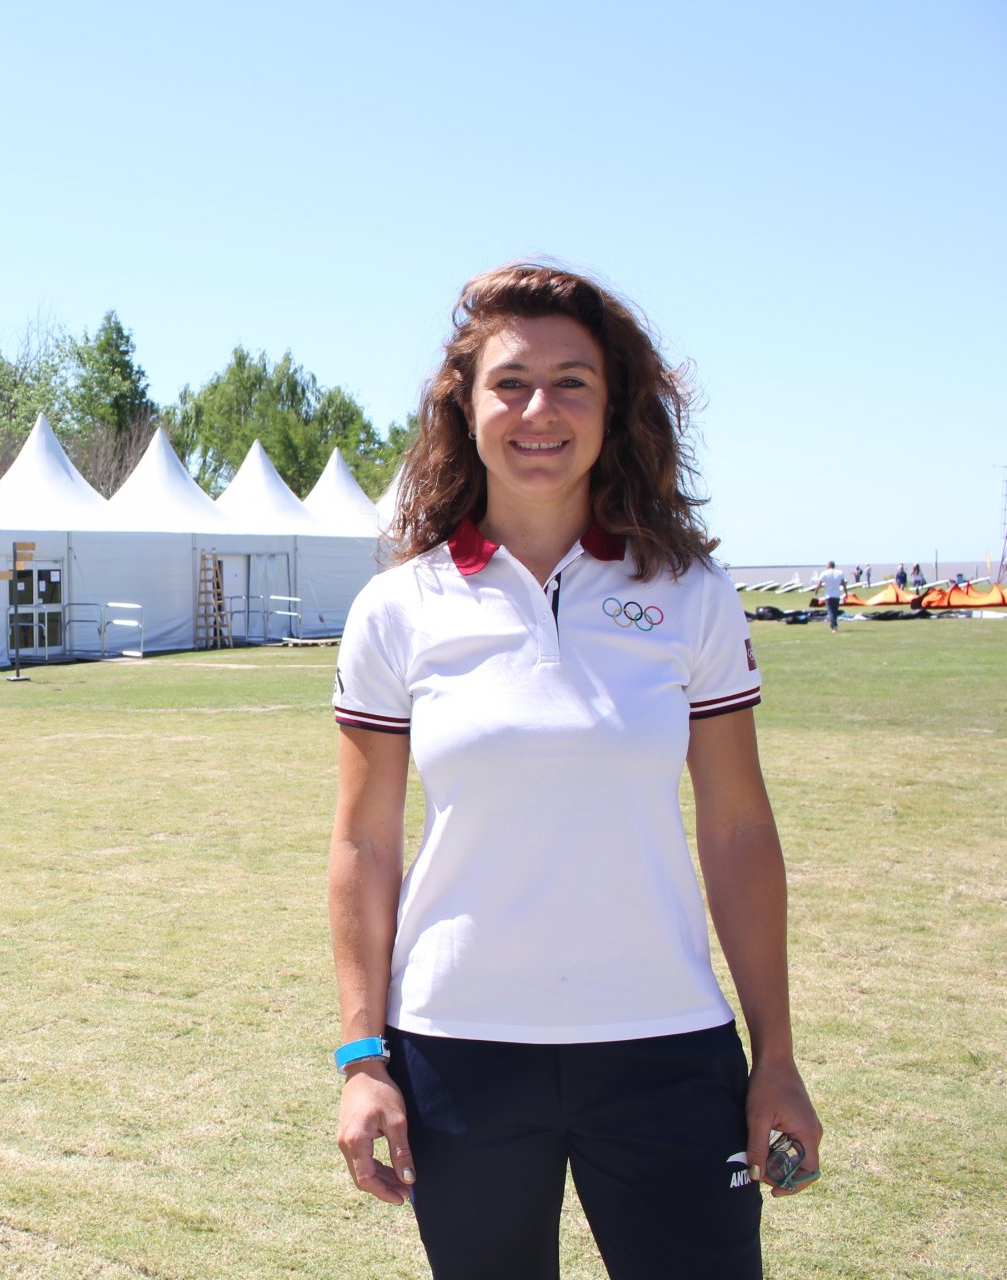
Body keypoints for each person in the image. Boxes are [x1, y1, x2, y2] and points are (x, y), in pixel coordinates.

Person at [329, 263, 821, 1280]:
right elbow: (363, 842)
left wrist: (775, 1055)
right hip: (456, 1051)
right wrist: (359, 1055)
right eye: (510, 382)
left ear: (615, 405)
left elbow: (737, 830)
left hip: (667, 1047)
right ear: (464, 406)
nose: (538, 409)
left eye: (572, 382)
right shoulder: (398, 607)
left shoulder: (689, 594)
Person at [813, 560, 849, 632]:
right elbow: (843, 583)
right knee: (834, 612)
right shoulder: (840, 572)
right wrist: (846, 592)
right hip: (837, 595)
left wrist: (816, 590)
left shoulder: (825, 573)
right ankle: (833, 625)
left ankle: (834, 627)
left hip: (829, 596)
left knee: (830, 612)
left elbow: (820, 583)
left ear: (829, 566)